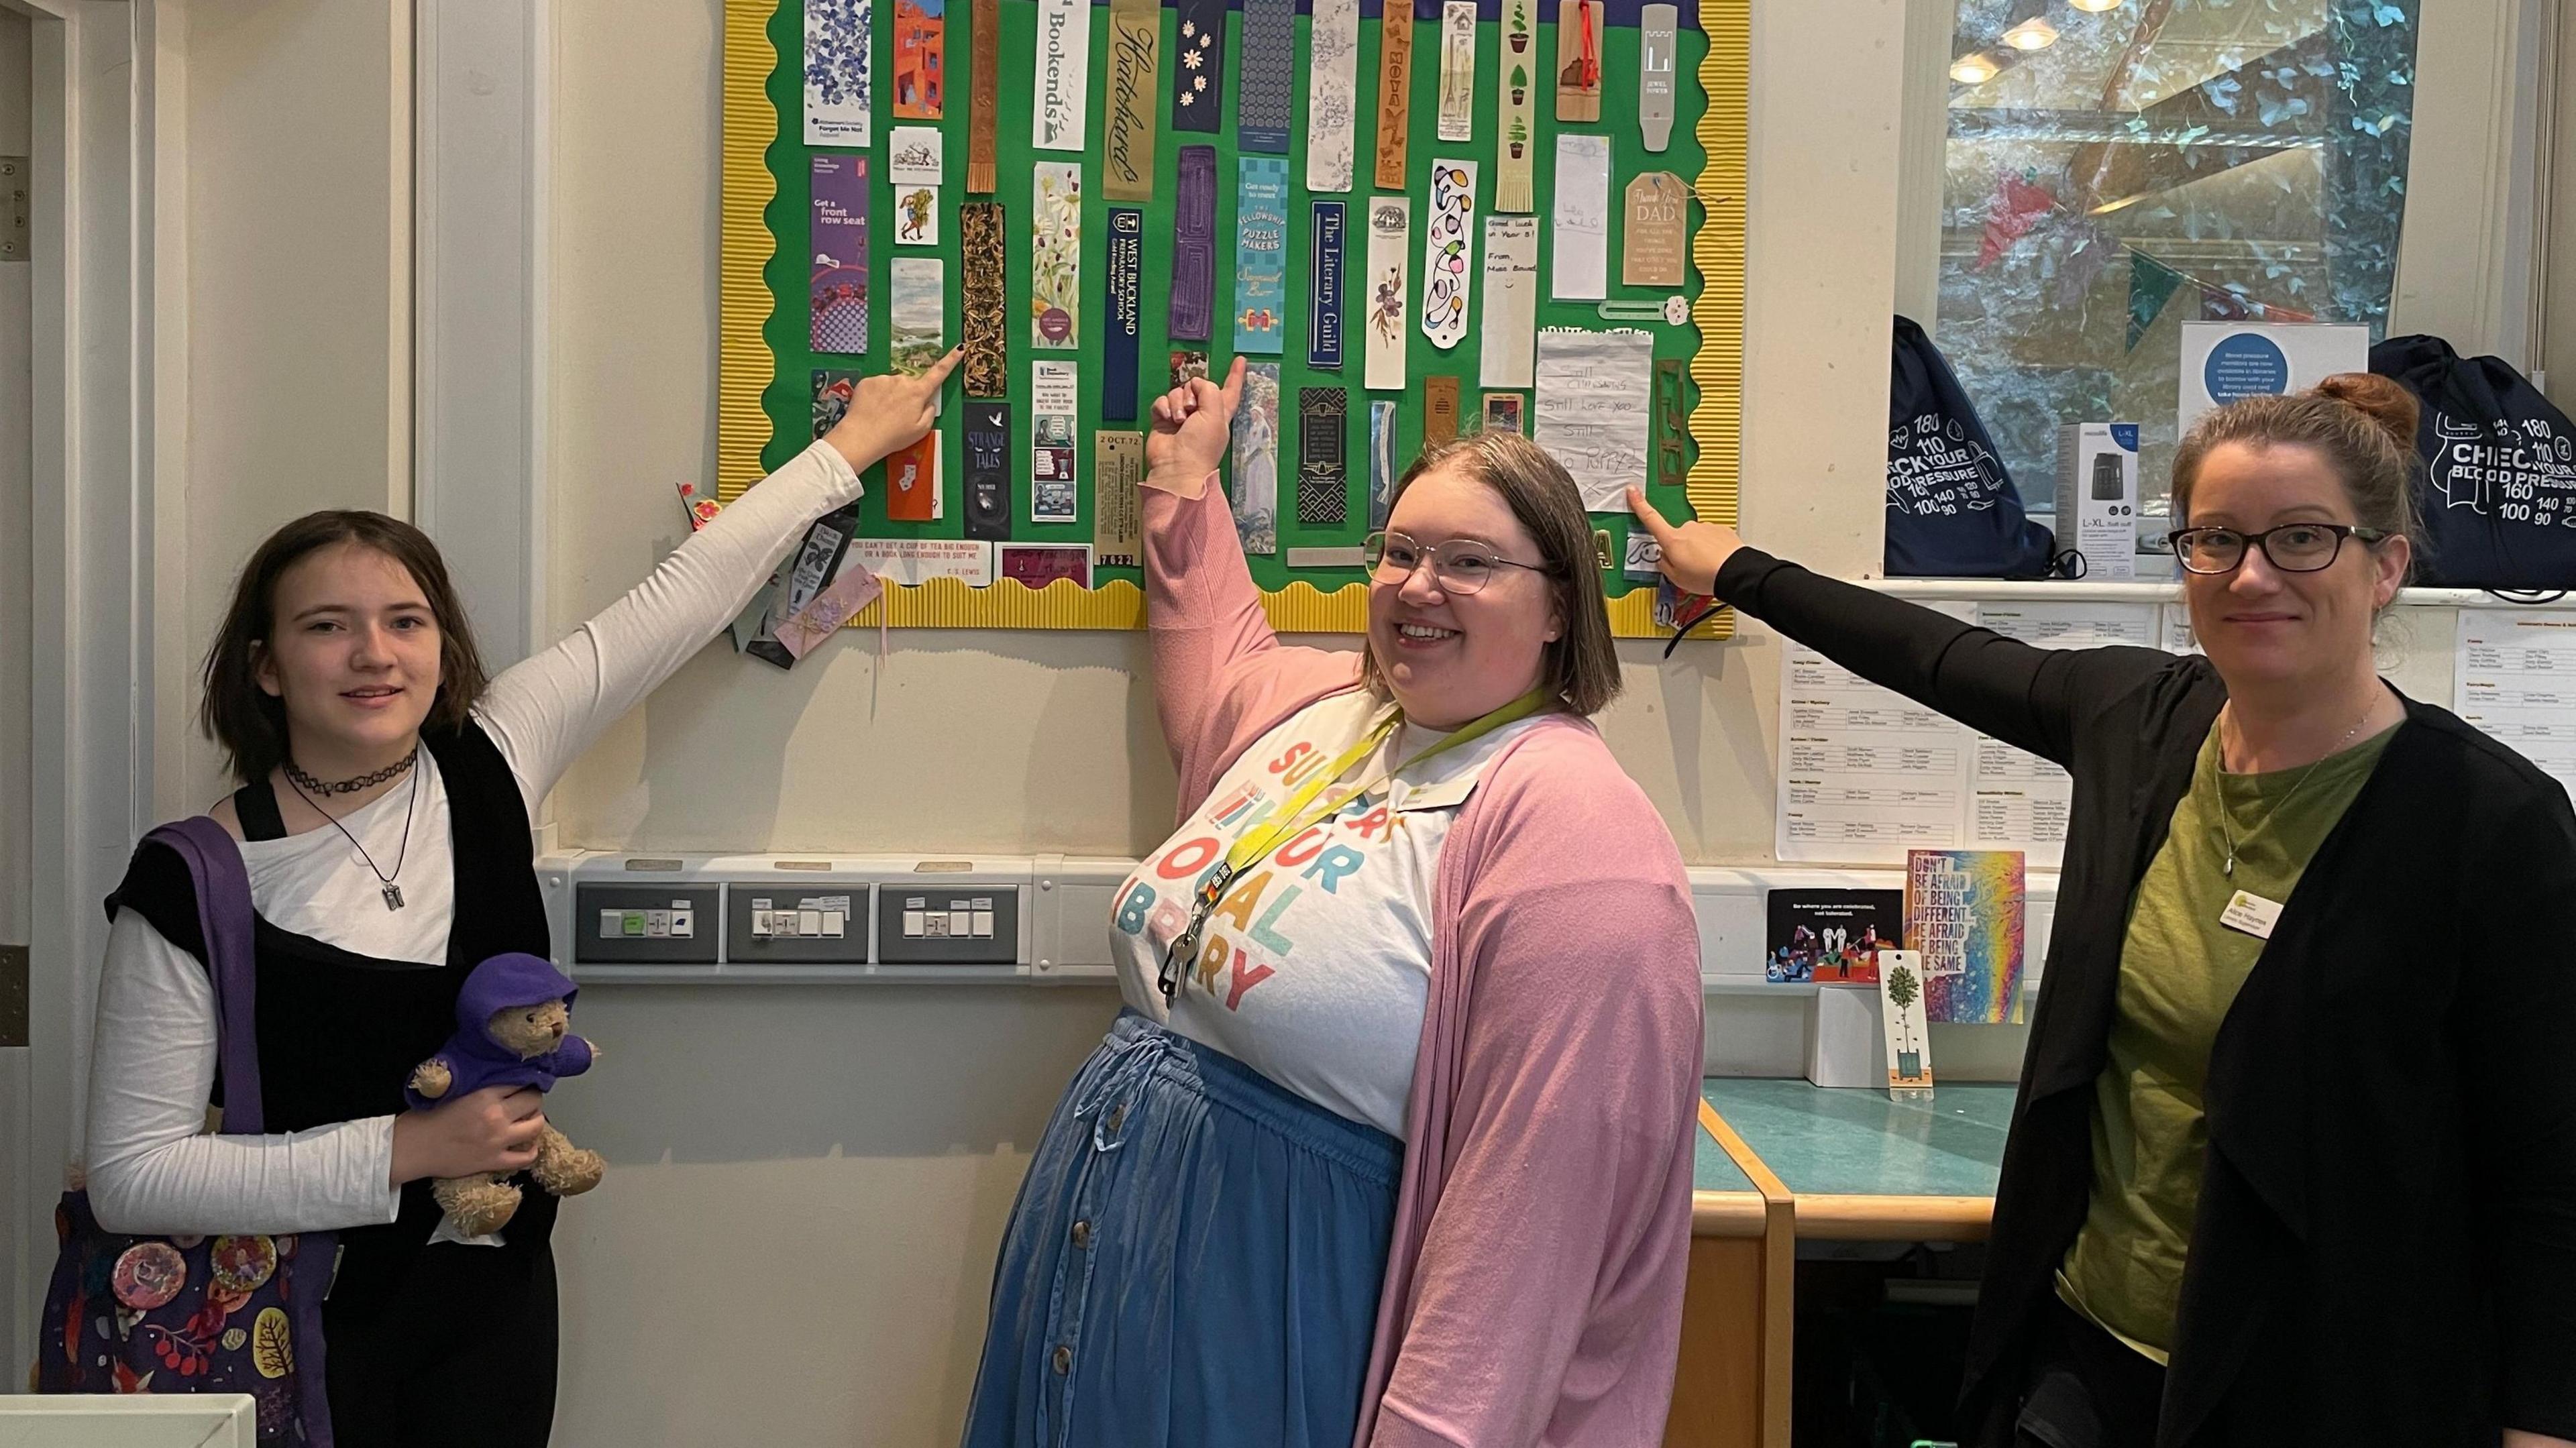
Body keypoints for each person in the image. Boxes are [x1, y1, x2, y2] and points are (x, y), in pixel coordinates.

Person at [1632, 374, 2576, 1448]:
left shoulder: (2490, 823)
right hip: (2088, 1355)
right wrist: (1739, 572)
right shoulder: (2143, 721)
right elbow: (1932, 655)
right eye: (2215, 540)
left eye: (2303, 538)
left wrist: (2541, 1429)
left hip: (2330, 1386)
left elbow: (2548, 1176)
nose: (2252, 574)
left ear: (2387, 567)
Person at [81, 351, 959, 1445]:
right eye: (326, 627)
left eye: (406, 621)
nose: (373, 654)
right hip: (289, 1331)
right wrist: (415, 1147)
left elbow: (680, 599)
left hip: (492, 1309)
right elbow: (134, 1175)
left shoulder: (494, 754)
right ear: (266, 668)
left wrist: (849, 448)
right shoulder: (190, 879)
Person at [962, 359, 1705, 1448]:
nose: (1417, 585)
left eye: (1470, 562)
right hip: (1104, 1295)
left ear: (1559, 607)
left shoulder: (1579, 836)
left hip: (1281, 1322)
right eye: (1401, 552)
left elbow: (1529, 1234)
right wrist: (1180, 480)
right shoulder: (1334, 715)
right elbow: (1218, 659)